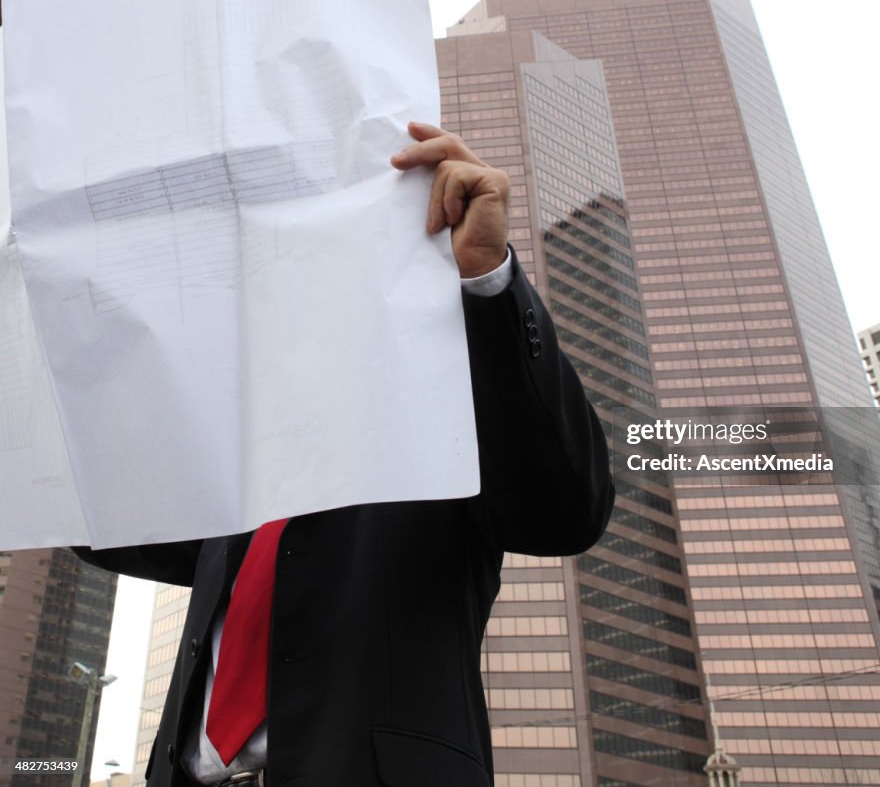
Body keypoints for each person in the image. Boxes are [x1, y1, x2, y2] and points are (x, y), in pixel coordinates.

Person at [75, 122, 614, 787]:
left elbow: (564, 510)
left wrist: (484, 280)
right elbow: (108, 522)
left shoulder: (444, 424)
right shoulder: (247, 463)